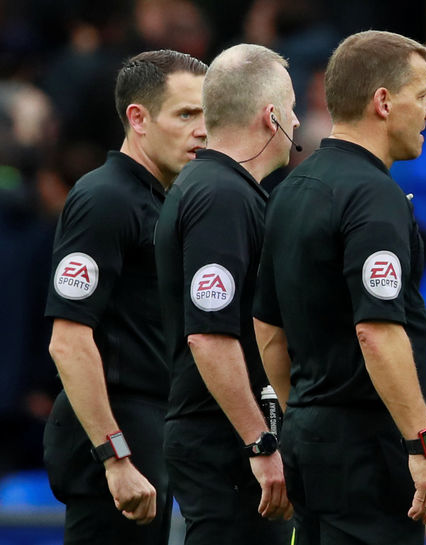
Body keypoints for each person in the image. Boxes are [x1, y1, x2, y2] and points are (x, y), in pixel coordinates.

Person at [252, 30, 426, 545]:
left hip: (307, 439)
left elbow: (268, 332)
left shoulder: (289, 190)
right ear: (383, 102)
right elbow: (378, 333)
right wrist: (425, 447)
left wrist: (305, 422)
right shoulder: (374, 196)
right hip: (368, 450)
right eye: (423, 95)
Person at [42, 49, 207, 544]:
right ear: (138, 118)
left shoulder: (166, 199)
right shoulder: (105, 198)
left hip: (149, 432)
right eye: (185, 114)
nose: (202, 130)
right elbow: (68, 342)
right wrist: (115, 456)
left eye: (207, 115)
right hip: (114, 440)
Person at [154, 43, 297, 544]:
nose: (298, 125)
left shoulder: (217, 187)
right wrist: (260, 444)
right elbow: (209, 337)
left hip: (222, 436)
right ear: (271, 116)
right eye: (293, 109)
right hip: (225, 442)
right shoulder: (221, 196)